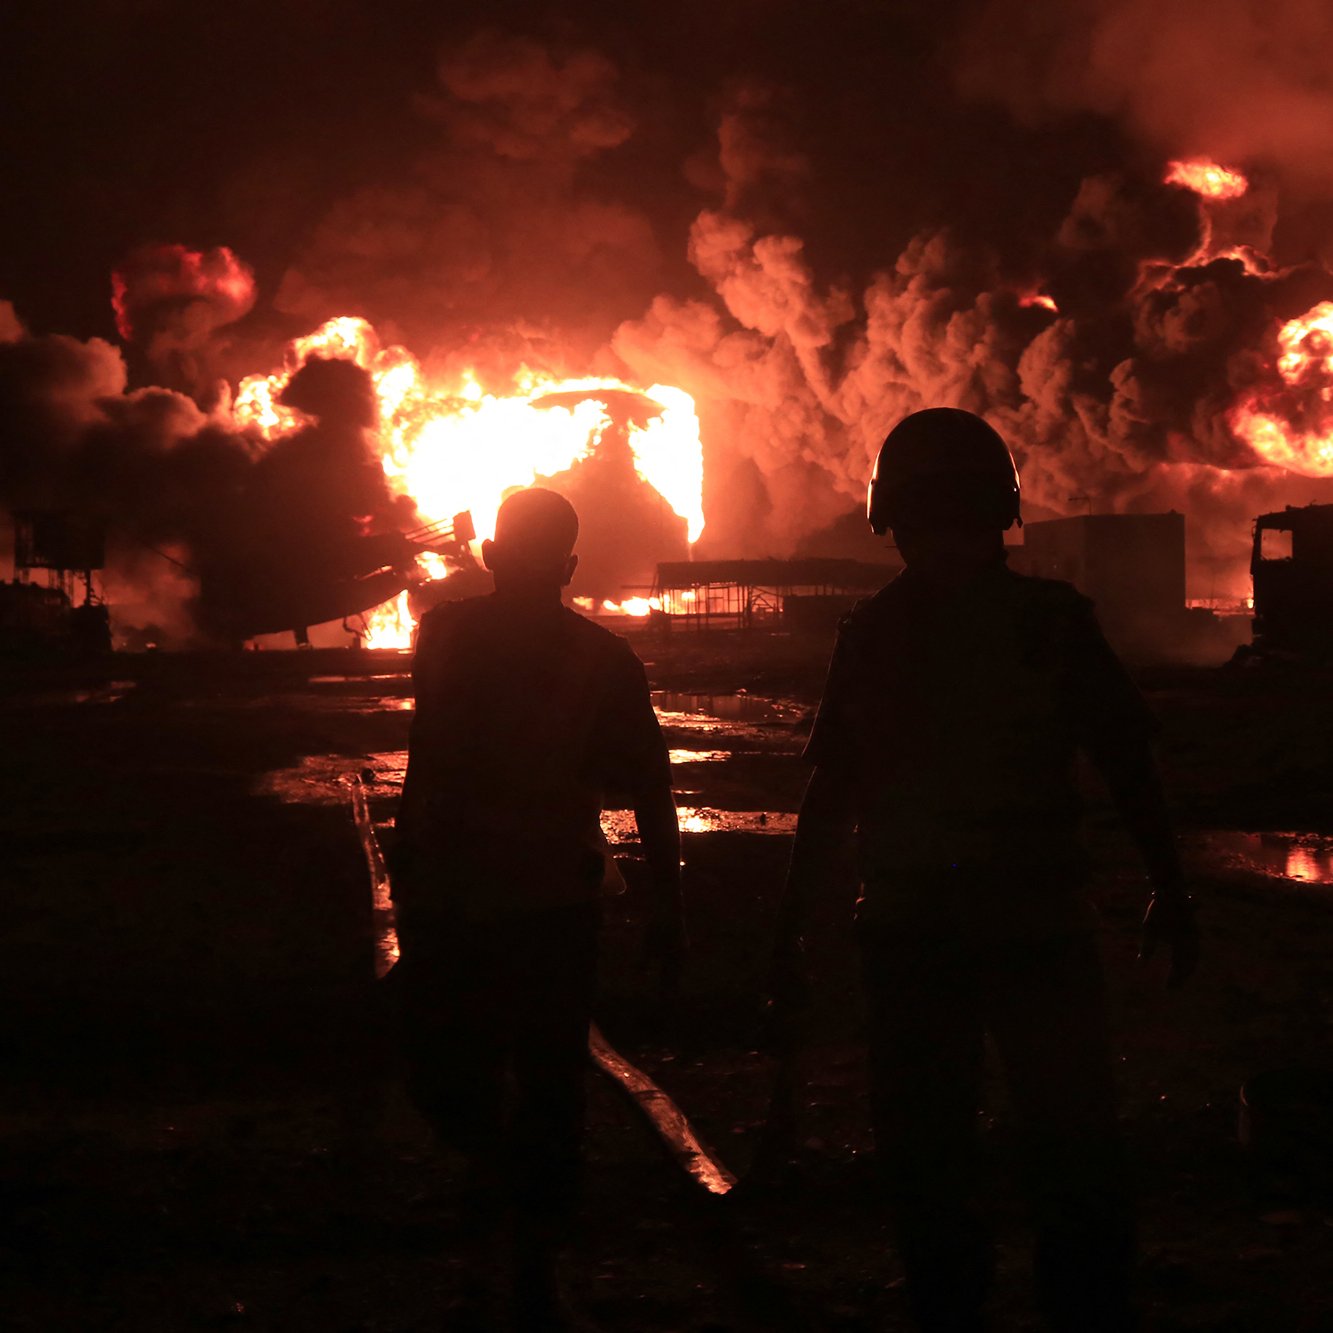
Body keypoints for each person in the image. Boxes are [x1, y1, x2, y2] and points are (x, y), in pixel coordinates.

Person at [769, 409, 1198, 1333]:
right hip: (1015, 923)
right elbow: (1127, 763)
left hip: (925, 929)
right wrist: (1172, 885)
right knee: (1057, 1136)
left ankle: (967, 1299)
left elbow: (831, 793)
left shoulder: (881, 631)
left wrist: (793, 925)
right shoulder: (1040, 622)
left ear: (890, 520)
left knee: (944, 1144)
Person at [390, 486, 685, 1328]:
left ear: (488, 555)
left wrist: (411, 857)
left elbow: (426, 755)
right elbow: (652, 791)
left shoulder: (442, 634)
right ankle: (532, 1241)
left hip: (454, 892)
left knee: (453, 1060)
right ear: (570, 565)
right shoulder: (604, 659)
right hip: (551, 898)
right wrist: (668, 905)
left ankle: (507, 1207)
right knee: (549, 1074)